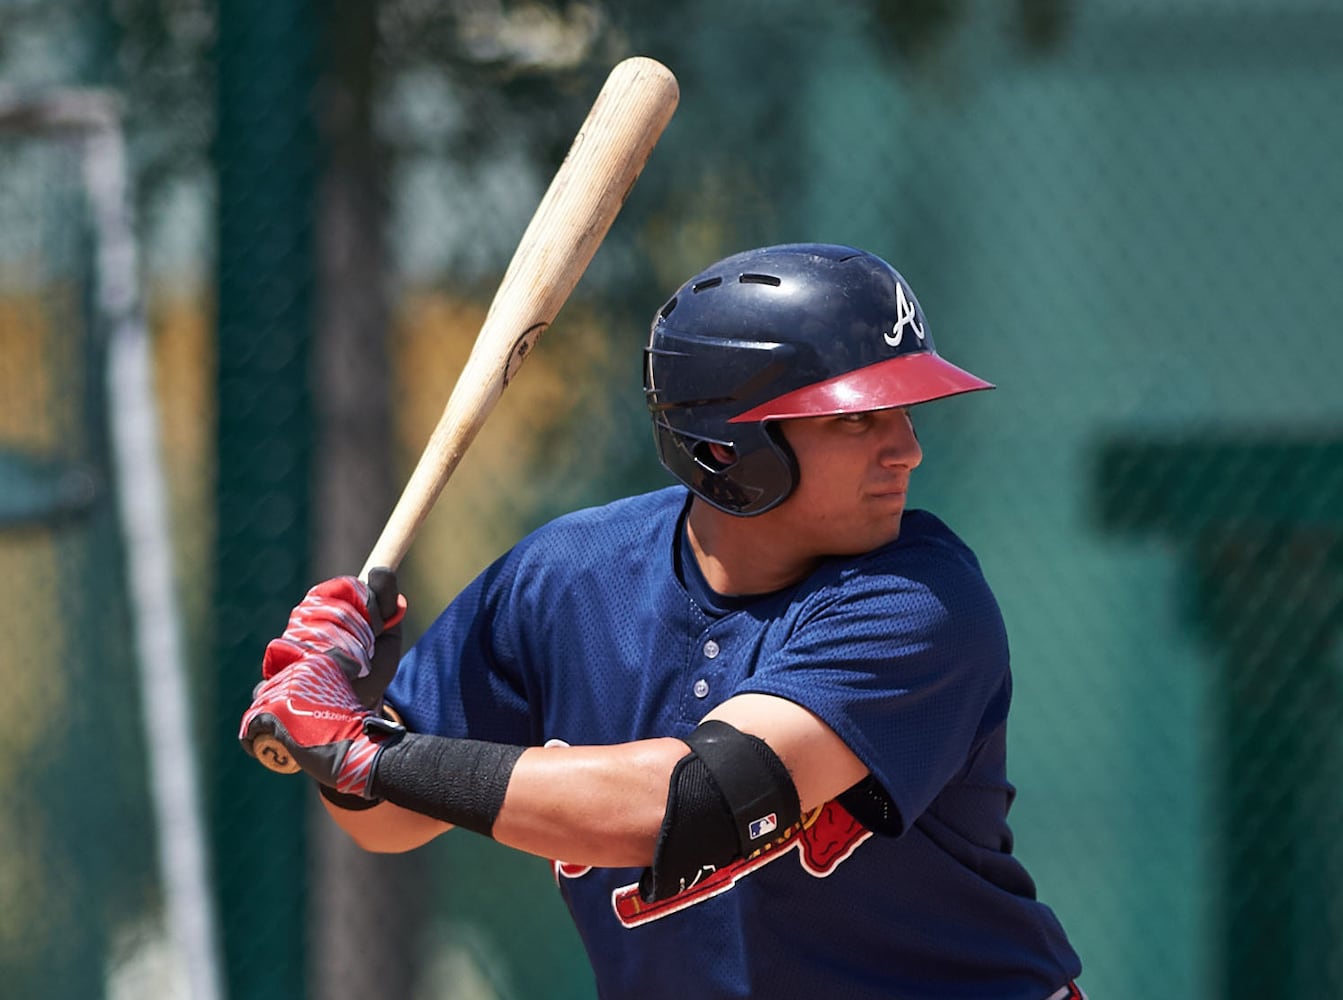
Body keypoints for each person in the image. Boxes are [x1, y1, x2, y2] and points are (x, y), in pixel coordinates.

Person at [240, 243, 1085, 999]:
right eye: (856, 418)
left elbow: (696, 802)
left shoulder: (918, 600)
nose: (906, 450)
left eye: (903, 414)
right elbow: (389, 820)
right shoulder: (568, 578)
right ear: (724, 449)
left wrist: (359, 752)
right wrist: (343, 730)